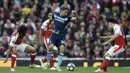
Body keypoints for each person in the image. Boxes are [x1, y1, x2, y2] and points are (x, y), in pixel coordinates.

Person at [44, 6, 79, 71]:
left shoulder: (67, 18)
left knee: (62, 49)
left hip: (61, 36)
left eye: (67, 12)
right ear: (61, 11)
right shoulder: (55, 14)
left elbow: (77, 19)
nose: (66, 13)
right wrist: (48, 25)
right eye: (65, 12)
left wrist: (76, 14)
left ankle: (58, 67)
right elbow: (50, 20)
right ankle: (48, 63)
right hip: (54, 35)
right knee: (50, 47)